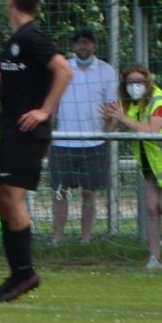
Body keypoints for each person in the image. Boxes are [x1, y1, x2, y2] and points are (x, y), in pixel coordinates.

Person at [0, 0, 72, 302]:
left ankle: (25, 274)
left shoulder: (31, 37)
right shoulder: (14, 42)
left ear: (10, 1)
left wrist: (44, 111)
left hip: (29, 131)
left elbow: (64, 70)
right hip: (11, 130)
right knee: (2, 198)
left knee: (10, 198)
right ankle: (18, 274)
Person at [102, 65, 162, 271]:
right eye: (130, 82)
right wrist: (110, 118)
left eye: (139, 82)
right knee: (152, 207)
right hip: (152, 163)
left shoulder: (158, 102)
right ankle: (154, 258)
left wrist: (123, 118)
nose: (135, 86)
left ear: (147, 83)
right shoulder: (127, 104)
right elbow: (109, 131)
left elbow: (152, 130)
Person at [50, 28, 117, 245]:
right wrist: (47, 135)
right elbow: (52, 104)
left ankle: (85, 239)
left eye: (87, 42)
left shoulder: (106, 71)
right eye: (79, 42)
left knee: (89, 194)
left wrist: (108, 132)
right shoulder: (62, 68)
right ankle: (57, 239)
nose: (83, 46)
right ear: (73, 46)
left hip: (94, 143)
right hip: (62, 141)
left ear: (94, 46)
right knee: (59, 193)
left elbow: (112, 108)